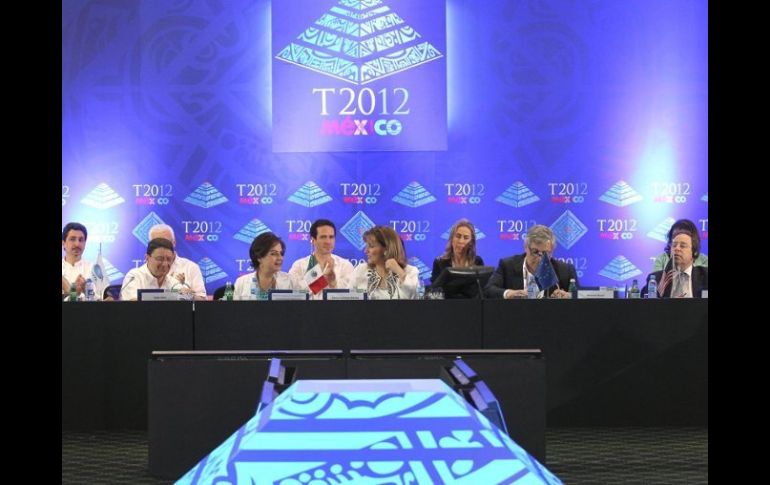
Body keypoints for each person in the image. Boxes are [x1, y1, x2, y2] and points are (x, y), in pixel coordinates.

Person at [484, 224, 577, 299]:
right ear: (526, 247)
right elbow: (488, 290)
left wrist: (569, 296)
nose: (540, 259)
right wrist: (509, 293)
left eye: (545, 253)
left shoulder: (565, 270)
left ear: (552, 251)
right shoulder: (508, 266)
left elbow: (580, 297)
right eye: (535, 252)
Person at [288, 219, 355, 299]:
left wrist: (333, 283)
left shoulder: (345, 266)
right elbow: (293, 294)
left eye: (331, 237)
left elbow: (350, 296)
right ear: (313, 240)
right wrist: (322, 281)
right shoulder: (299, 266)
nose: (328, 241)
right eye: (323, 237)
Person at [350, 225, 419, 299]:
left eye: (371, 246)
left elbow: (412, 297)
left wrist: (398, 271)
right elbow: (348, 298)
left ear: (387, 249)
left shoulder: (410, 271)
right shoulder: (361, 270)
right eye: (366, 246)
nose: (366, 251)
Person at [643, 219, 708, 298]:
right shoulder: (656, 279)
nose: (676, 249)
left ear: (694, 252)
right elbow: (643, 304)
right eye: (674, 245)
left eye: (682, 246)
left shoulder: (705, 276)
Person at [234, 232, 303, 300]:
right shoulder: (241, 283)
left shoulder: (291, 281)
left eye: (281, 253)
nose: (280, 258)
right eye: (273, 254)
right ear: (259, 257)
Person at [148, 224, 207, 300]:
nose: (162, 248)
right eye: (156, 244)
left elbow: (203, 301)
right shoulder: (142, 272)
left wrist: (188, 295)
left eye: (166, 243)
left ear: (174, 243)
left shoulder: (191, 267)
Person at [430, 219, 485, 298]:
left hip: (471, 304)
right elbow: (434, 292)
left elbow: (481, 291)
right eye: (458, 236)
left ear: (471, 242)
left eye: (466, 238)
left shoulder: (477, 262)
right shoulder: (439, 262)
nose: (461, 241)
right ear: (452, 239)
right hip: (447, 304)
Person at [62, 222, 104, 300]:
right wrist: (72, 293)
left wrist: (87, 290)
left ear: (85, 243)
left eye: (81, 240)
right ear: (63, 243)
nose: (77, 244)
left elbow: (104, 300)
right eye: (72, 239)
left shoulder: (94, 268)